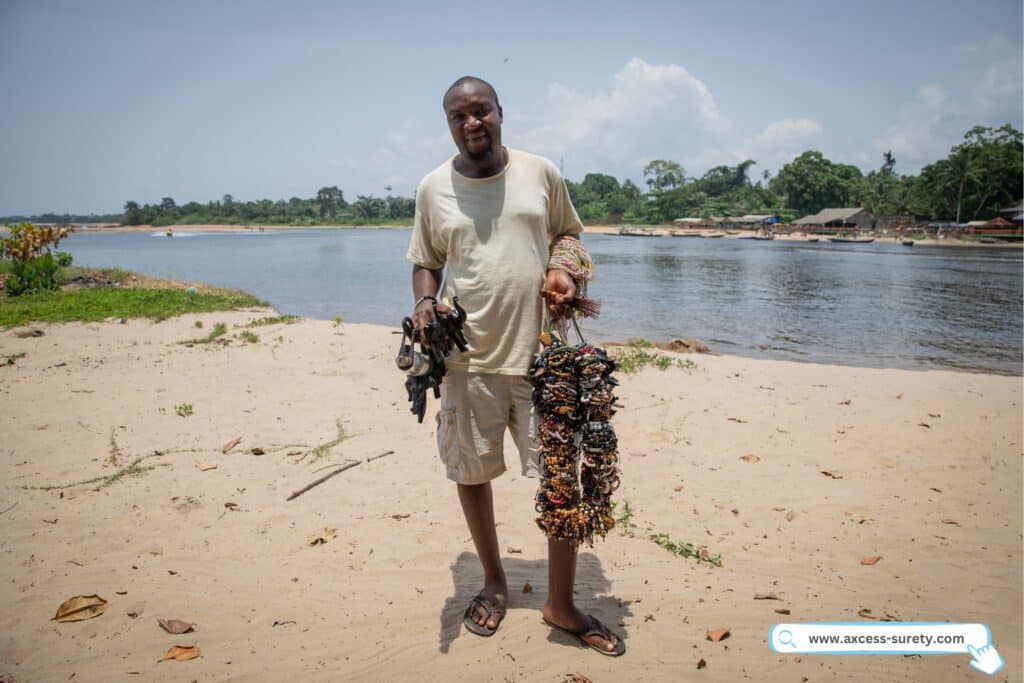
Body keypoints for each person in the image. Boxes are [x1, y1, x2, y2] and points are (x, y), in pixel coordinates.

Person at [406, 76, 624, 656]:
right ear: (448, 124)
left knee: (561, 481)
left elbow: (569, 235)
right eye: (459, 116)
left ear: (501, 113)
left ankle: (561, 601)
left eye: (482, 111)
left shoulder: (540, 173)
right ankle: (494, 583)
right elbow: (426, 262)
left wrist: (565, 273)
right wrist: (425, 302)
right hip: (465, 363)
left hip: (542, 361)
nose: (472, 123)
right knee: (472, 473)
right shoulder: (433, 188)